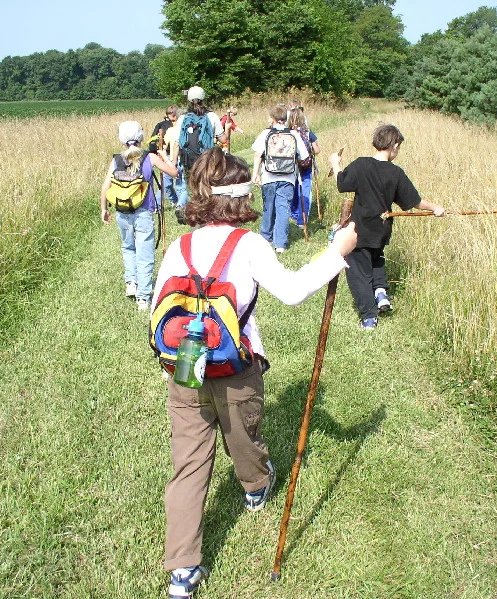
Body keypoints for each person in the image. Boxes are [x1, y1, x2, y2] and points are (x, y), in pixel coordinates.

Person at [151, 147, 357, 599]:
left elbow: (158, 308)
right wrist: (338, 253)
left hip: (184, 367)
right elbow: (291, 290)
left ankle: (182, 570)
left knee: (187, 465)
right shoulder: (249, 245)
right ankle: (257, 486)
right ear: (241, 198)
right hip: (237, 367)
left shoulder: (177, 246)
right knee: (244, 436)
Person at [329, 123, 446, 330]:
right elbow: (414, 201)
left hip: (360, 229)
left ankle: (369, 317)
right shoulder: (396, 173)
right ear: (394, 145)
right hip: (382, 228)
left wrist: (335, 163)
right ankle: (381, 292)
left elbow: (342, 184)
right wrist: (435, 207)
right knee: (376, 258)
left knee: (358, 272)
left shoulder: (361, 164)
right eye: (399, 148)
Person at [100, 121, 178, 311]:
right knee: (145, 253)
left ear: (122, 139)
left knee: (128, 247)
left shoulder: (117, 159)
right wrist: (165, 157)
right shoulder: (149, 158)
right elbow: (174, 172)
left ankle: (131, 283)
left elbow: (105, 187)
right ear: (141, 137)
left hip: (122, 212)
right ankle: (143, 297)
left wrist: (104, 209)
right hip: (143, 212)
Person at [251, 104, 310, 253]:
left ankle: (266, 237)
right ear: (285, 119)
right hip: (288, 177)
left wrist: (255, 174)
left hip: (268, 176)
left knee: (268, 207)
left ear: (272, 119)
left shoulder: (266, 134)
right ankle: (280, 243)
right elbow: (304, 157)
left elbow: (258, 155)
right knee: (283, 208)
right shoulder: (294, 135)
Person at [174, 86, 227, 223]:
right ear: (204, 99)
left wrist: (174, 162)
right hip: (207, 159)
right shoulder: (212, 116)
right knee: (208, 186)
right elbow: (223, 139)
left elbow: (176, 142)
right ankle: (208, 213)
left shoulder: (183, 118)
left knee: (193, 188)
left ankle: (195, 213)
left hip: (188, 159)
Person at [287, 106, 320, 228]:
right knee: (305, 192)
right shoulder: (307, 132)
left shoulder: (287, 133)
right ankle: (302, 220)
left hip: (291, 168)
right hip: (306, 167)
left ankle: (293, 214)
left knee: (294, 190)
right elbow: (317, 150)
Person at [150, 105, 180, 207]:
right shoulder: (177, 125)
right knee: (167, 181)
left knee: (167, 181)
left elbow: (153, 141)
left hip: (165, 154)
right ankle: (159, 205)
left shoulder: (161, 125)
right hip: (170, 154)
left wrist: (156, 152)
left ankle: (173, 201)